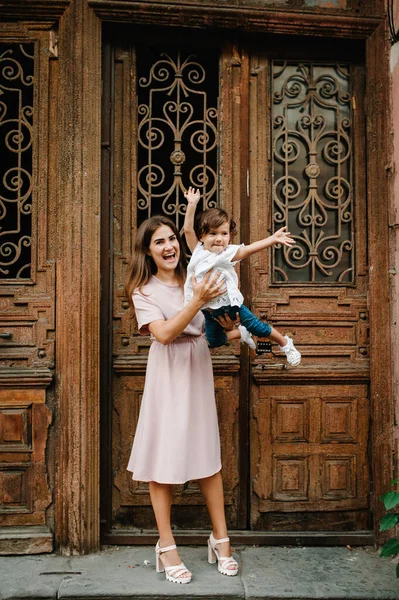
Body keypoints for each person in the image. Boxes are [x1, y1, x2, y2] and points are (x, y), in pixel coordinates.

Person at [125, 215, 239, 584]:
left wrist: (239, 332)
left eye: (172, 238)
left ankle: (220, 539)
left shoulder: (198, 275)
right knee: (164, 457)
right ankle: (166, 544)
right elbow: (165, 333)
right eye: (159, 242)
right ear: (148, 250)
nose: (169, 246)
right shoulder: (143, 291)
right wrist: (197, 302)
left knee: (207, 455)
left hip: (197, 366)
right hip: (168, 372)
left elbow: (208, 332)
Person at [183, 187, 301, 366]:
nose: (219, 239)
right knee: (214, 340)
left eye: (224, 234)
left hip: (231, 304)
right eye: (213, 234)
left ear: (230, 236)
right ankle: (241, 334)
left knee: (258, 327)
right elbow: (187, 230)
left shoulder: (227, 253)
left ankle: (285, 343)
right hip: (208, 308)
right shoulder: (198, 251)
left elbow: (249, 249)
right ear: (202, 236)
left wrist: (273, 239)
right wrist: (192, 205)